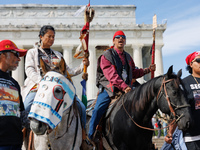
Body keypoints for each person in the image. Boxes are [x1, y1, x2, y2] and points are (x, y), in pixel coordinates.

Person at [87, 30, 156, 142]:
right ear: (113, 41)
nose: (121, 39)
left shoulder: (128, 57)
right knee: (98, 109)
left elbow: (133, 72)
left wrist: (147, 70)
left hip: (126, 88)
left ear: (125, 41)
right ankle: (91, 136)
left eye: (123, 37)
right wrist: (124, 86)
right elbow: (111, 75)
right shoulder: (107, 55)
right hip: (110, 89)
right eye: (118, 37)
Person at [21, 25, 89, 130]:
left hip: (58, 88)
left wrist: (82, 66)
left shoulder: (57, 55)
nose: (52, 39)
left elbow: (68, 72)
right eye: (49, 36)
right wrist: (42, 82)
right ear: (41, 37)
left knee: (81, 107)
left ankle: (83, 135)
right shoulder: (32, 52)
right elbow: (29, 70)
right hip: (38, 87)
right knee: (26, 107)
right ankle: (23, 135)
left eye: (53, 37)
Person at [165, 51, 200, 149]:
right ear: (191, 64)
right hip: (193, 137)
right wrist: (170, 132)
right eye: (199, 60)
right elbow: (178, 110)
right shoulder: (183, 83)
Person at [0, 40, 27, 150]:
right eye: (15, 55)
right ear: (2, 55)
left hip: (15, 142)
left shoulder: (14, 83)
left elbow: (21, 112)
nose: (19, 59)